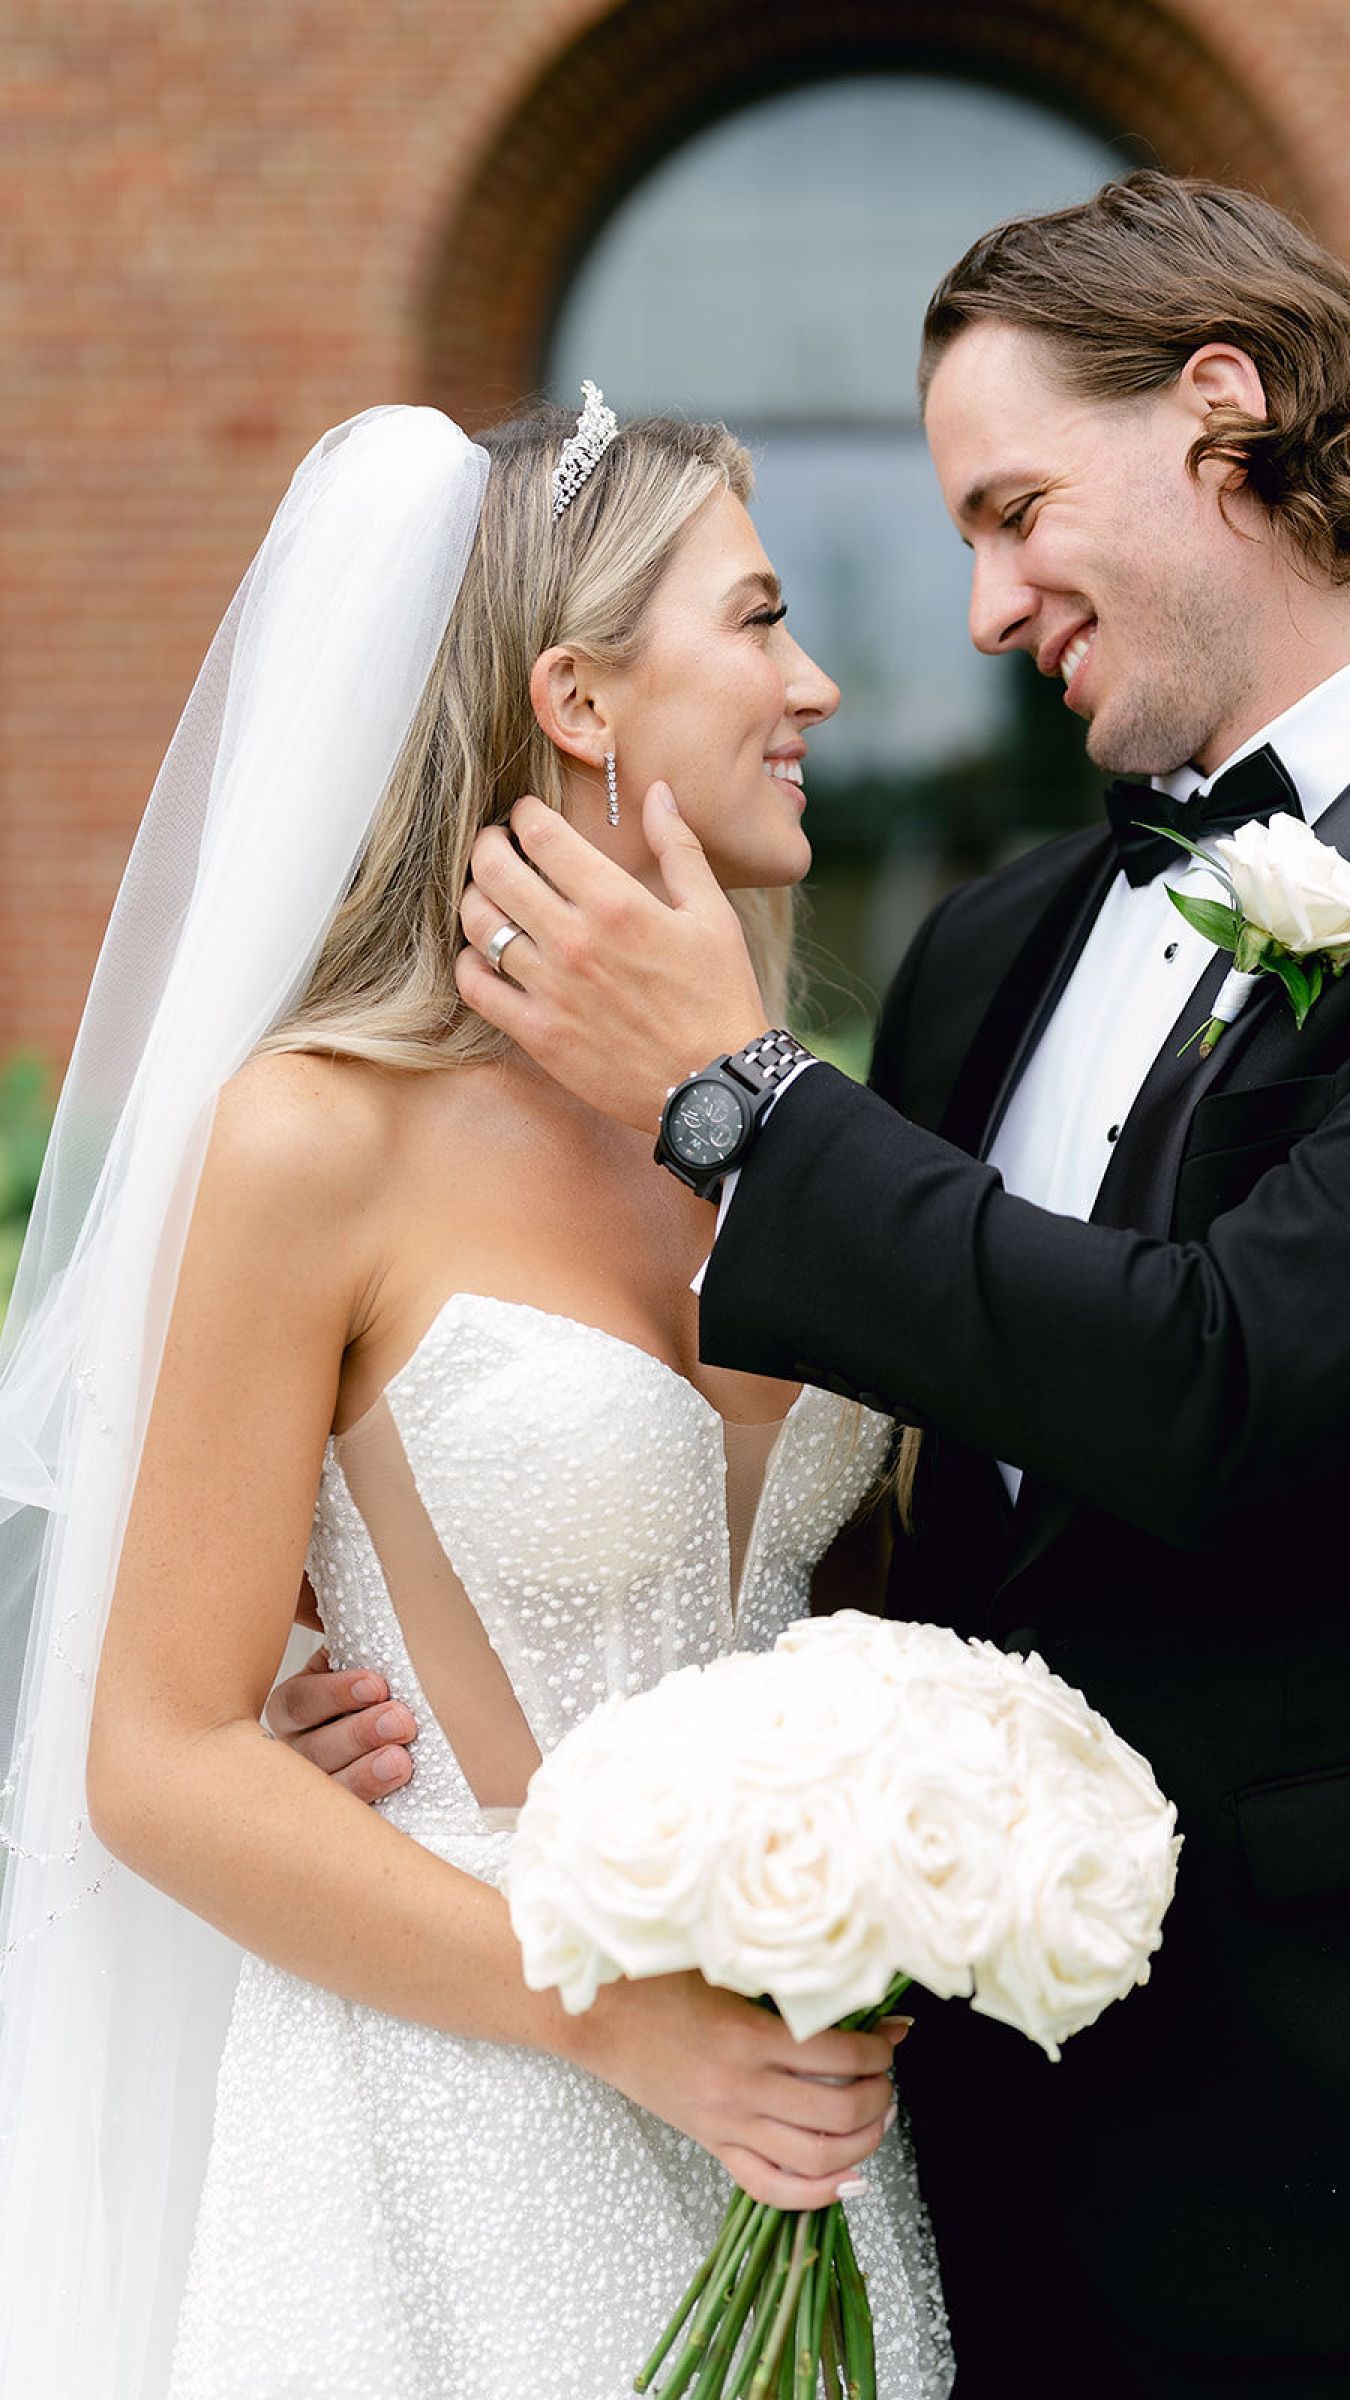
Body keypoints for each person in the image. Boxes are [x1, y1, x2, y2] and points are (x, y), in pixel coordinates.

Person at [289, 177, 1350, 2394]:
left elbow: (1230, 1387)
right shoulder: (994, 948)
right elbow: (912, 1510)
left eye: (1010, 510)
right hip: (947, 2149)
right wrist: (431, 1698)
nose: (979, 609)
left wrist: (739, 1093)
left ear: (1220, 418)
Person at [0, 397, 949, 2398]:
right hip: (444, 2109)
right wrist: (616, 2019)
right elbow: (161, 1759)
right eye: (761, 621)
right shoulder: (313, 1140)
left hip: (803, 2129)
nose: (819, 682)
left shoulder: (795, 1131)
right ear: (580, 698)